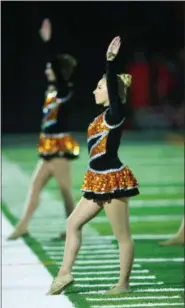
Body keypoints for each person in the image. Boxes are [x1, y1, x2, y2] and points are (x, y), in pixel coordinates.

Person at [47, 36, 139, 296]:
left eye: (99, 88)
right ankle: (64, 274)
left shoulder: (115, 114)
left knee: (122, 236)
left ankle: (123, 285)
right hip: (97, 180)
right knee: (72, 224)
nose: (94, 91)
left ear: (110, 92)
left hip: (113, 180)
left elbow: (112, 85)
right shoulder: (101, 116)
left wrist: (110, 63)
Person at [8, 19, 80, 241]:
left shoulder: (64, 89)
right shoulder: (51, 89)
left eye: (52, 67)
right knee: (35, 186)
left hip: (59, 147)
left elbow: (56, 65)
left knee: (66, 192)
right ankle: (23, 225)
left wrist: (48, 44)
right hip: (48, 145)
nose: (47, 69)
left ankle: (74, 230)